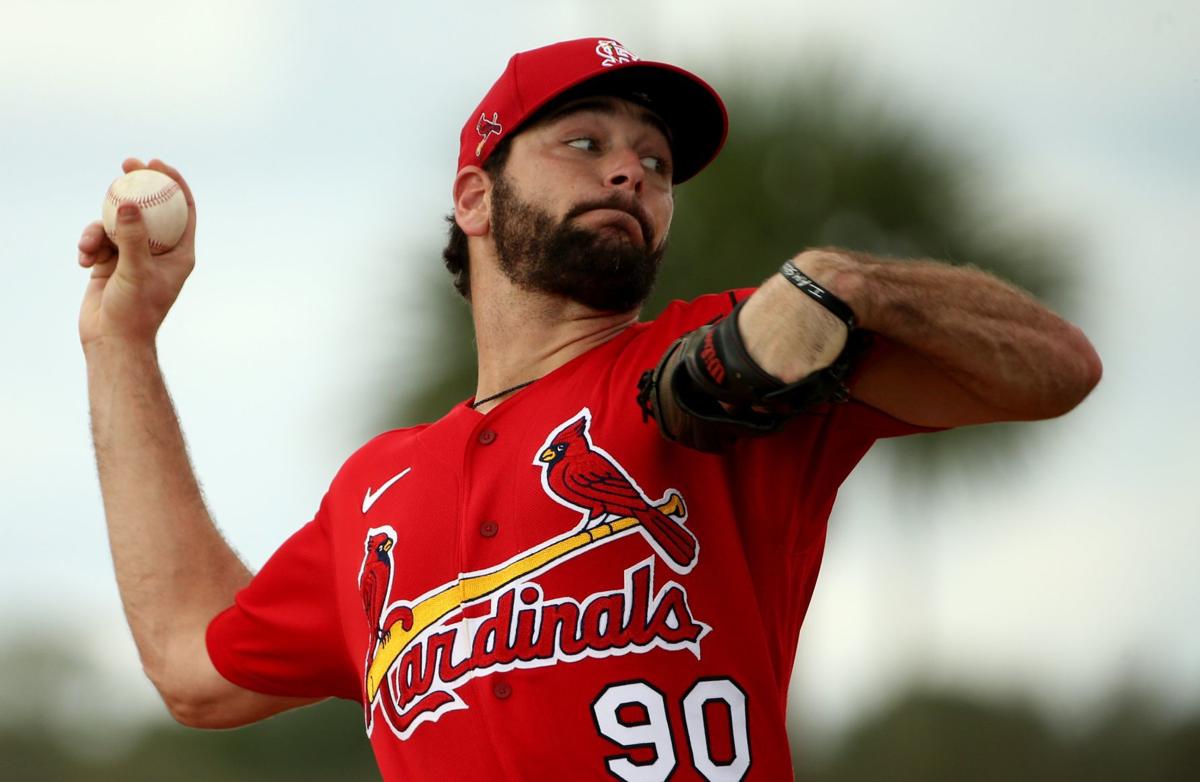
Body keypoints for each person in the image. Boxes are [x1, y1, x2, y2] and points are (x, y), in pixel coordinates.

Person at [77, 37, 1101, 781]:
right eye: (583, 141)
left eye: (656, 162)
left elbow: (1056, 366)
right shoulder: (378, 491)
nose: (631, 169)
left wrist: (856, 287)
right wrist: (119, 340)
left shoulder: (734, 358)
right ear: (474, 198)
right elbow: (190, 661)